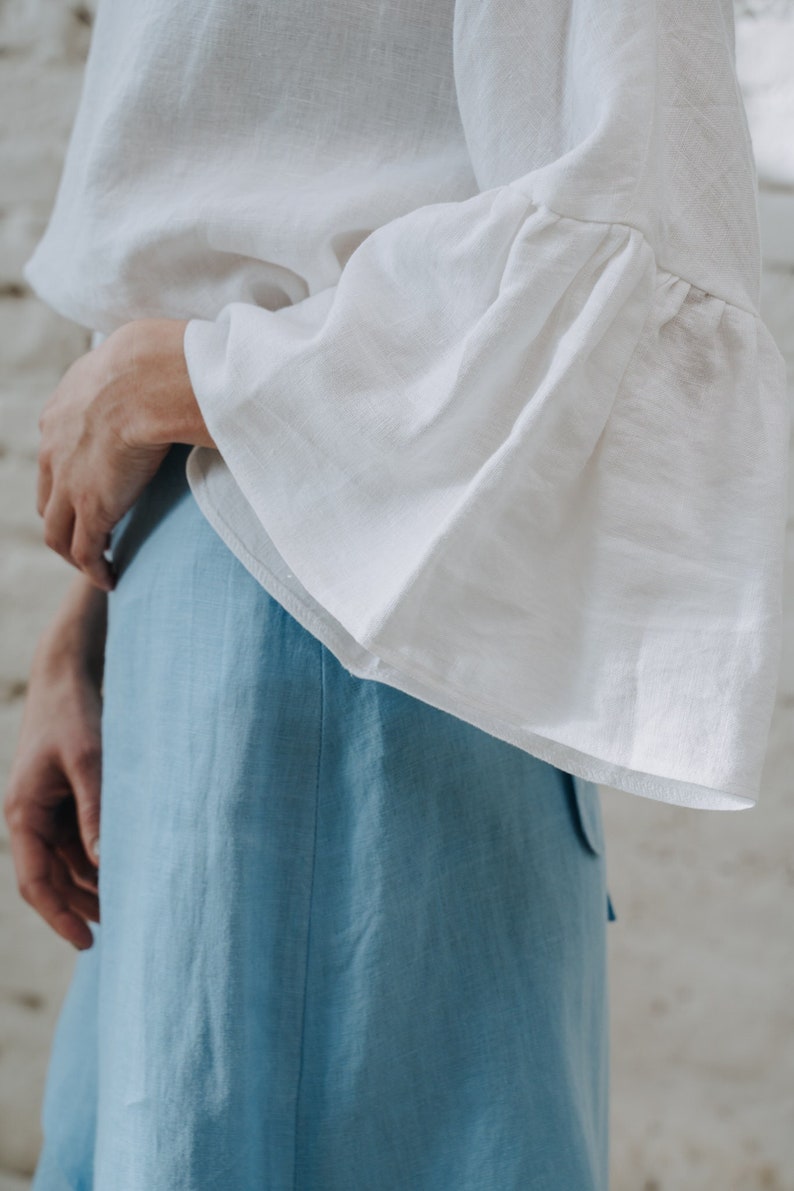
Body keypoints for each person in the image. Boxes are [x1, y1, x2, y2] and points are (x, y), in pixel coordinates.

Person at [3, 0, 787, 1187]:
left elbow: (617, 206)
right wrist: (90, 632)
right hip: (203, 597)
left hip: (337, 634)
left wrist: (181, 376)